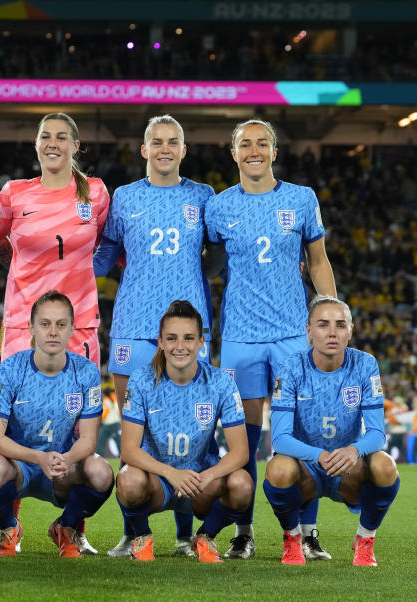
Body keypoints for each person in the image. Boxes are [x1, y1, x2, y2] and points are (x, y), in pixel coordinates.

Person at [0, 112, 110, 555]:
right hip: (21, 327)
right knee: (12, 424)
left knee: (78, 432)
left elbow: (108, 247)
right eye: (45, 137)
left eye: (61, 137)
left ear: (75, 145)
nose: (53, 143)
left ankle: (71, 526)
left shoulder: (97, 193)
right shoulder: (14, 193)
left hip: (81, 326)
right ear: (36, 145)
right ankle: (10, 526)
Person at [205, 119, 336, 559]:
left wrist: (330, 311)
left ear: (274, 152)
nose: (254, 150)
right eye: (246, 144)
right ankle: (244, 531)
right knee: (243, 438)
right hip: (241, 335)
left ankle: (306, 531)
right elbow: (205, 263)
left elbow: (317, 261)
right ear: (234, 153)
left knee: (301, 434)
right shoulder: (219, 207)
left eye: (262, 143)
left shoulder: (301, 200)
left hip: (292, 334)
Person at [93, 114, 216, 558]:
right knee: (136, 433)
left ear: (184, 150)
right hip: (131, 325)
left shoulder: (203, 197)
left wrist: (199, 279)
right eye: (156, 142)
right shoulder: (124, 198)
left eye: (173, 142)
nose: (165, 148)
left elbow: (221, 250)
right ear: (144, 150)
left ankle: (185, 535)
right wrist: (66, 270)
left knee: (188, 431)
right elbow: (105, 252)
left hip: (187, 327)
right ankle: (136, 531)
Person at [264, 296, 398, 566]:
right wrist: (319, 455)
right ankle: (293, 539)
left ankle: (365, 539)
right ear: (309, 331)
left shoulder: (365, 364)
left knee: (386, 466)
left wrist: (354, 450)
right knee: (278, 469)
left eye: (340, 325)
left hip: (346, 468)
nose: (332, 333)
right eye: (323, 324)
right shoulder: (290, 367)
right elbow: (279, 438)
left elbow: (377, 434)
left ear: (351, 331)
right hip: (306, 468)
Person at [115, 300, 252, 563]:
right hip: (156, 480)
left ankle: (205, 536)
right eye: (172, 338)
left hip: (200, 482)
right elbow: (129, 450)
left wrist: (208, 475)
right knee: (127, 480)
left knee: (242, 484)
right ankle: (142, 537)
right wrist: (170, 473)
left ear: (201, 341)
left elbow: (241, 452)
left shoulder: (221, 382)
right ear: (161, 342)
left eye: (189, 338)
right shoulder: (142, 380)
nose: (180, 346)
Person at [0, 291, 112, 558]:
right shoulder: (10, 369)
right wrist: (38, 457)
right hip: (18, 465)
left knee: (101, 472)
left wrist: (66, 458)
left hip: (62, 465)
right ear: (31, 327)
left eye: (61, 324)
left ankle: (65, 527)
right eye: (45, 324)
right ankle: (9, 527)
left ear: (73, 328)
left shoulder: (86, 371)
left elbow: (88, 440)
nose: (53, 331)